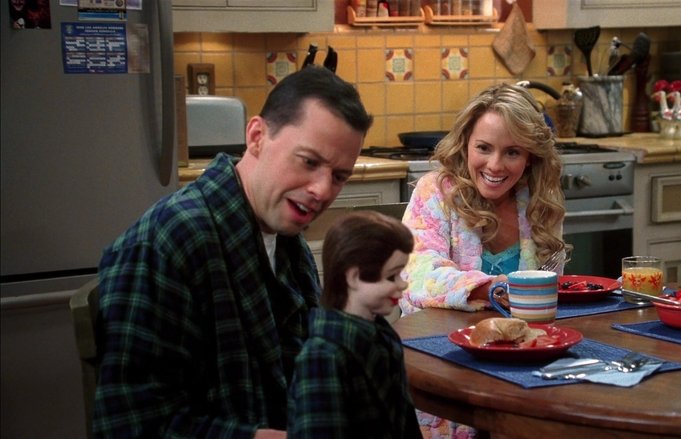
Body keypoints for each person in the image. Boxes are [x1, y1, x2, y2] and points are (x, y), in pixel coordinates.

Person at [93, 66, 373, 438]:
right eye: (308, 161)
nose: (322, 190)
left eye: (339, 176)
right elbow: (130, 424)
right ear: (257, 137)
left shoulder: (286, 237)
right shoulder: (170, 241)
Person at [399, 82, 568, 438]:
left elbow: (548, 295)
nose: (495, 165)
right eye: (484, 148)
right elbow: (416, 274)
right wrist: (488, 289)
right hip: (443, 368)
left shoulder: (540, 203)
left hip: (524, 373)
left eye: (512, 152)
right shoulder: (435, 191)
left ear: (530, 156)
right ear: (465, 144)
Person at [286, 211, 422, 438]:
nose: (403, 284)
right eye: (391, 276)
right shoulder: (323, 356)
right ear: (353, 277)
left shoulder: (382, 335)